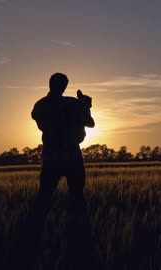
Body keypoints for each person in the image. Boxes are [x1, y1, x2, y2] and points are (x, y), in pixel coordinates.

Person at [31, 72, 95, 213]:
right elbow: (90, 123)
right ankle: (79, 229)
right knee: (77, 197)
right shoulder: (73, 104)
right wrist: (85, 106)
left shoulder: (40, 105)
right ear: (65, 86)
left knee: (44, 197)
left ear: (50, 84)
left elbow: (41, 122)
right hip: (73, 155)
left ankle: (33, 230)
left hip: (51, 155)